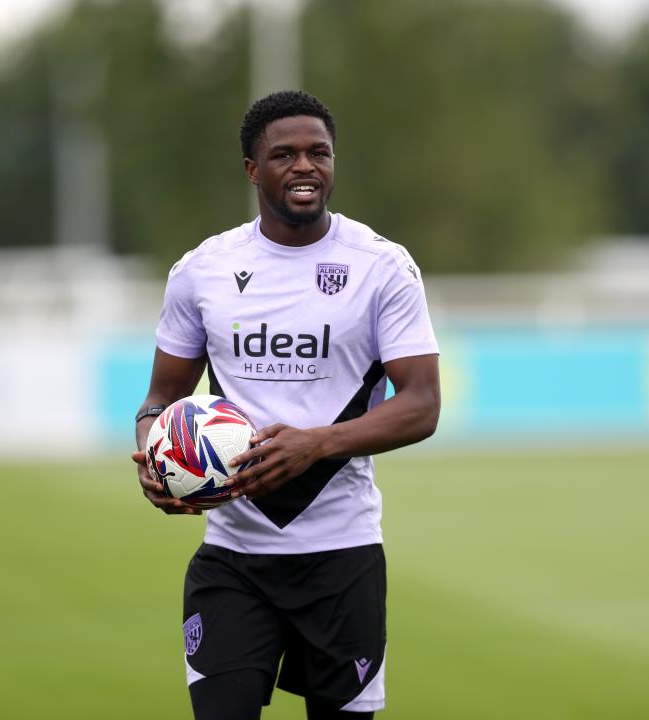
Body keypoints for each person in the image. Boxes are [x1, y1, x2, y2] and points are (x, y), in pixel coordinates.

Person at [131, 90, 441, 720]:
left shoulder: (382, 268)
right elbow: (161, 398)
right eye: (285, 154)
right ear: (252, 169)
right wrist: (153, 454)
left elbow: (422, 405)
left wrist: (315, 444)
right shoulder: (203, 271)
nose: (305, 166)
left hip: (342, 557)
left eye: (319, 152)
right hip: (233, 561)